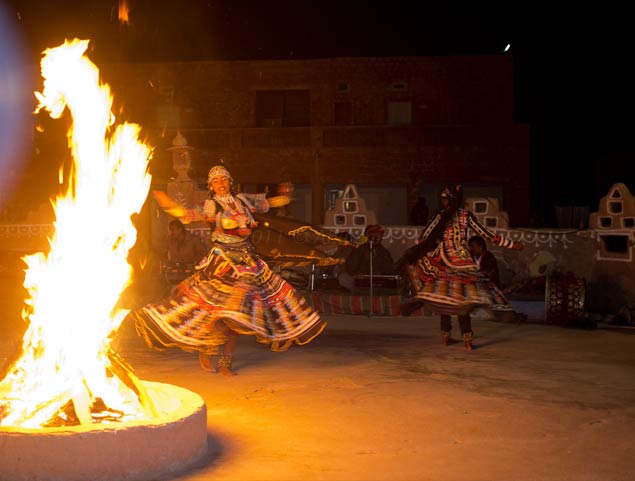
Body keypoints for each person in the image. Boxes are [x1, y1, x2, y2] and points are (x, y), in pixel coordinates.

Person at [134, 164, 326, 376]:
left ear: (230, 181)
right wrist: (159, 196)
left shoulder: (243, 200)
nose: (220, 184)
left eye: (223, 179)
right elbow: (185, 214)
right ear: (211, 186)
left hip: (247, 262)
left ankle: (225, 361)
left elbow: (270, 203)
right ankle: (208, 347)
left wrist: (285, 196)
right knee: (217, 311)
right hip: (223, 262)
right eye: (216, 181)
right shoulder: (211, 205)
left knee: (239, 315)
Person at [396, 185, 523, 350]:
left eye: (445, 199)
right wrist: (510, 244)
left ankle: (448, 336)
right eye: (443, 199)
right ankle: (465, 340)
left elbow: (424, 237)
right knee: (462, 297)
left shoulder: (444, 216)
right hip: (460, 260)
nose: (444, 202)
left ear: (450, 200)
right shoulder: (462, 215)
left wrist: (419, 251)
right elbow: (487, 234)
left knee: (447, 296)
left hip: (445, 259)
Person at [338, 224, 397, 291]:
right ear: (367, 236)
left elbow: (390, 269)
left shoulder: (384, 252)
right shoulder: (359, 249)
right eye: (373, 235)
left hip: (378, 281)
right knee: (343, 277)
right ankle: (360, 290)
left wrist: (384, 275)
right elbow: (350, 268)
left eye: (379, 236)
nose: (376, 237)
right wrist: (358, 274)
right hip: (361, 280)